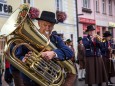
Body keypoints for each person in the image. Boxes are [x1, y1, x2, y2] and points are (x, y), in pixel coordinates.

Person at [14, 11, 75, 86]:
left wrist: (54, 53)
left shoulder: (56, 39)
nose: (47, 28)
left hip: (50, 79)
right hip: (30, 80)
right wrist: (24, 59)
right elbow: (18, 56)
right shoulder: (27, 38)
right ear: (39, 23)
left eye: (50, 26)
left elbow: (69, 52)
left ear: (53, 27)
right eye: (45, 25)